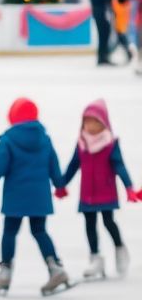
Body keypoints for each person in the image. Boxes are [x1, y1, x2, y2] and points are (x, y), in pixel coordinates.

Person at [0, 98, 69, 295]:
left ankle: (5, 271)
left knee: (10, 231)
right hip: (39, 197)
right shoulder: (44, 139)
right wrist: (60, 186)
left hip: (16, 197)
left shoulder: (8, 140)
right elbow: (53, 165)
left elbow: (0, 165)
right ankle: (55, 267)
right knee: (39, 230)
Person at [57, 99, 138, 280]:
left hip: (106, 191)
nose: (90, 125)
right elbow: (73, 165)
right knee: (90, 224)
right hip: (87, 193)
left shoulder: (110, 143)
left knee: (109, 222)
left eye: (94, 121)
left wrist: (129, 187)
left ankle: (119, 248)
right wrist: (62, 184)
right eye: (87, 121)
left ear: (103, 123)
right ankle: (95, 258)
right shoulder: (82, 143)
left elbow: (120, 166)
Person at [90, 0, 113, 66]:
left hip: (104, 13)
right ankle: (101, 57)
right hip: (99, 13)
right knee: (102, 35)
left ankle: (104, 56)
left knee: (106, 34)